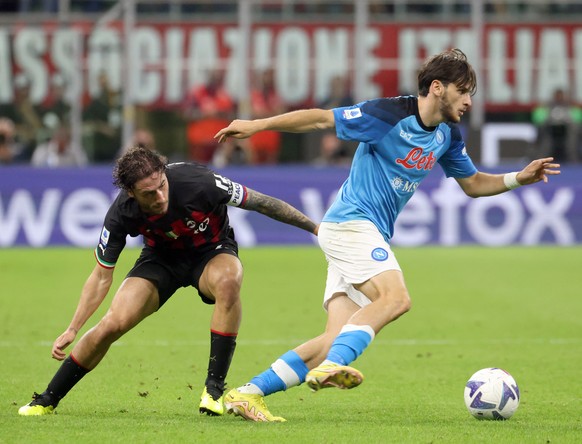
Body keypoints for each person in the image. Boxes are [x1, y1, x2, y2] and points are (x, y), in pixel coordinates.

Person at [214, 48, 561, 422]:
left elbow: (474, 183)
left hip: (359, 232)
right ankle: (334, 365)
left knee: (334, 338)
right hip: (351, 224)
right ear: (438, 88)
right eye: (463, 91)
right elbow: (319, 120)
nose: (469, 100)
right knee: (395, 299)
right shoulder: (388, 114)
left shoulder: (446, 134)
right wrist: (256, 125)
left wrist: (517, 179)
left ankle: (247, 393)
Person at [18, 145, 318, 417]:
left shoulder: (199, 181)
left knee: (228, 281)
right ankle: (46, 400)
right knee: (113, 322)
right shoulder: (121, 212)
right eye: (149, 193)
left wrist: (316, 229)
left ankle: (213, 390)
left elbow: (262, 203)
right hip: (161, 260)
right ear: (131, 193)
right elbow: (100, 276)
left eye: (162, 186)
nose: (160, 197)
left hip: (211, 251)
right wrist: (73, 327)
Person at [532, 88, 582, 163]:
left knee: (573, 133)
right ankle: (541, 160)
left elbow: (577, 120)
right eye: (557, 95)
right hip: (550, 131)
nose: (559, 97)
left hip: (567, 132)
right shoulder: (546, 106)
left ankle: (574, 159)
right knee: (545, 136)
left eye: (561, 95)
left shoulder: (570, 106)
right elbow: (538, 119)